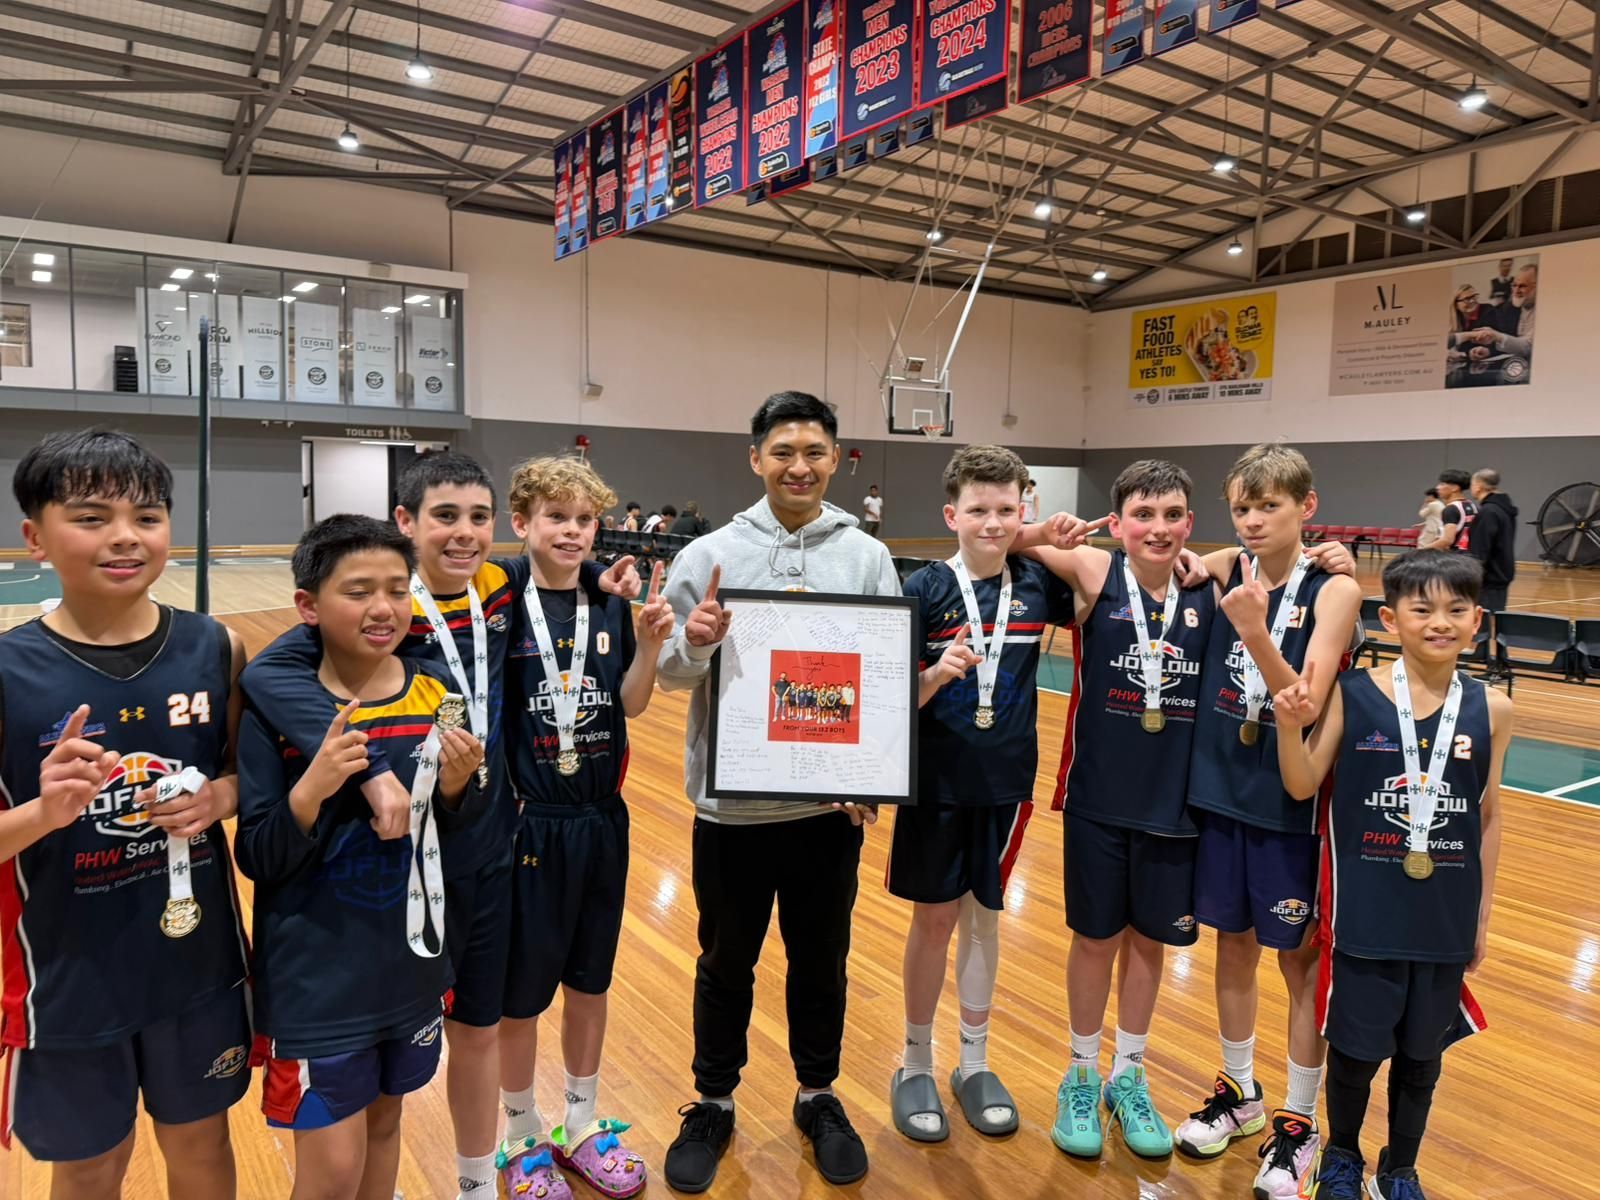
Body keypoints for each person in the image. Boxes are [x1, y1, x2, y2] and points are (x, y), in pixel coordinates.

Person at [241, 453, 639, 1200]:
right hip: (402, 866)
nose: (464, 534)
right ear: (405, 524)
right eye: (444, 517)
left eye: (478, 518)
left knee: (477, 1029)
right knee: (377, 1085)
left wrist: (601, 582)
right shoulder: (389, 610)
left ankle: (475, 1181)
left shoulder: (501, 584)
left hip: (486, 847)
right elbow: (266, 675)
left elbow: (564, 568)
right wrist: (365, 770)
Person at [656, 390, 898, 1193]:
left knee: (821, 961)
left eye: (816, 452)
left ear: (837, 460)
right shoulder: (710, 554)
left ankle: (817, 1093)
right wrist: (693, 646)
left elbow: (881, 674)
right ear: (755, 458)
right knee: (726, 960)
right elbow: (668, 677)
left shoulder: (864, 556)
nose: (800, 466)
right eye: (784, 452)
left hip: (827, 812)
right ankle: (714, 1101)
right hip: (732, 809)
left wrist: (867, 774)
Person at [0, 429, 252, 1197]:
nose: (123, 537)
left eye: (146, 516)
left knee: (203, 1146)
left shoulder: (218, 647)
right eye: (90, 516)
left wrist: (219, 798)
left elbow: (246, 777)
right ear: (34, 537)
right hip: (69, 977)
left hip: (198, 963)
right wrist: (44, 812)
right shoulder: (8, 671)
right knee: (91, 1166)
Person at [237, 514, 486, 1200]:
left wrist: (461, 788)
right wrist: (313, 788)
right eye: (358, 591)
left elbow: (461, 838)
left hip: (410, 971)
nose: (383, 608)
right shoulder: (276, 706)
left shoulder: (438, 690)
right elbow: (258, 852)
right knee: (331, 1172)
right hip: (319, 986)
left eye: (398, 589)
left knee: (384, 1132)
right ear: (307, 607)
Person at [1276, 550, 1509, 1199]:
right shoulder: (1354, 694)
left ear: (1477, 620)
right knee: (1354, 1051)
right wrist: (1290, 730)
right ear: (1389, 618)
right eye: (1422, 607)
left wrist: (1482, 916)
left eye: (1456, 609)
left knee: (1422, 1057)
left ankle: (1399, 1170)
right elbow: (1301, 784)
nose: (1440, 621)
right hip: (1365, 915)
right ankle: (1343, 1157)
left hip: (1443, 921)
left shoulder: (1493, 709)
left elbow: (1488, 817)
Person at [1009, 460, 1216, 1161]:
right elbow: (1002, 539)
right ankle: (1080, 1070)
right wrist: (1047, 527)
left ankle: (1129, 1075)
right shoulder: (1097, 574)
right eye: (1143, 515)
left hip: (1177, 803)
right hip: (1098, 796)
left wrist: (1327, 554)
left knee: (1148, 943)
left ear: (1190, 522)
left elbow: (1278, 559)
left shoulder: (1211, 586)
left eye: (1172, 516)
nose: (1158, 529)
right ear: (1118, 521)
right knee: (1096, 939)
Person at [1172, 443, 1362, 1200]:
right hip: (1220, 790)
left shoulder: (1335, 590)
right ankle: (1241, 1091)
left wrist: (1253, 629)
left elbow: (1306, 703)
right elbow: (1193, 558)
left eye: (1269, 507)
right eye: (1242, 508)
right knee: (1234, 944)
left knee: (1299, 960)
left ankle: (1299, 1120)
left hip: (1292, 801)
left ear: (1305, 508)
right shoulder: (1228, 567)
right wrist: (1220, 564)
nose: (1253, 521)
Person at [887, 445, 1078, 1146]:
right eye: (979, 510)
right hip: (934, 785)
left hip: (1006, 787)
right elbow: (888, 701)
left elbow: (1106, 574)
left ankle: (973, 1063)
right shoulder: (925, 589)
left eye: (1007, 510)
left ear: (1022, 510)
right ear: (951, 515)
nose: (993, 523)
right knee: (933, 921)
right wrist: (937, 673)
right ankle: (914, 1063)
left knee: (985, 920)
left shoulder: (1038, 583)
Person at [495, 456, 675, 1200]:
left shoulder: (608, 605)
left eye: (584, 520)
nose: (571, 531)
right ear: (523, 524)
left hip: (603, 820)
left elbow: (631, 707)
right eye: (556, 518)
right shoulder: (501, 595)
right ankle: (517, 1135)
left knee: (590, 982)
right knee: (521, 995)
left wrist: (654, 641)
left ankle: (579, 1120)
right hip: (529, 825)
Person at [1467, 469, 1518, 613]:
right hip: (1501, 571)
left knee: (1485, 621)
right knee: (1494, 617)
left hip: (1489, 576)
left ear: (1478, 486)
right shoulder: (1504, 508)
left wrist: (1472, 575)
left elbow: (1480, 549)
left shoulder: (1488, 512)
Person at [1430, 469, 1477, 552]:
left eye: (1442, 484)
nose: (1437, 487)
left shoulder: (1450, 509)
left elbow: (1447, 540)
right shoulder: (1472, 505)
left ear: (1454, 488)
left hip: (1456, 557)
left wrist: (1421, 551)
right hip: (1471, 555)